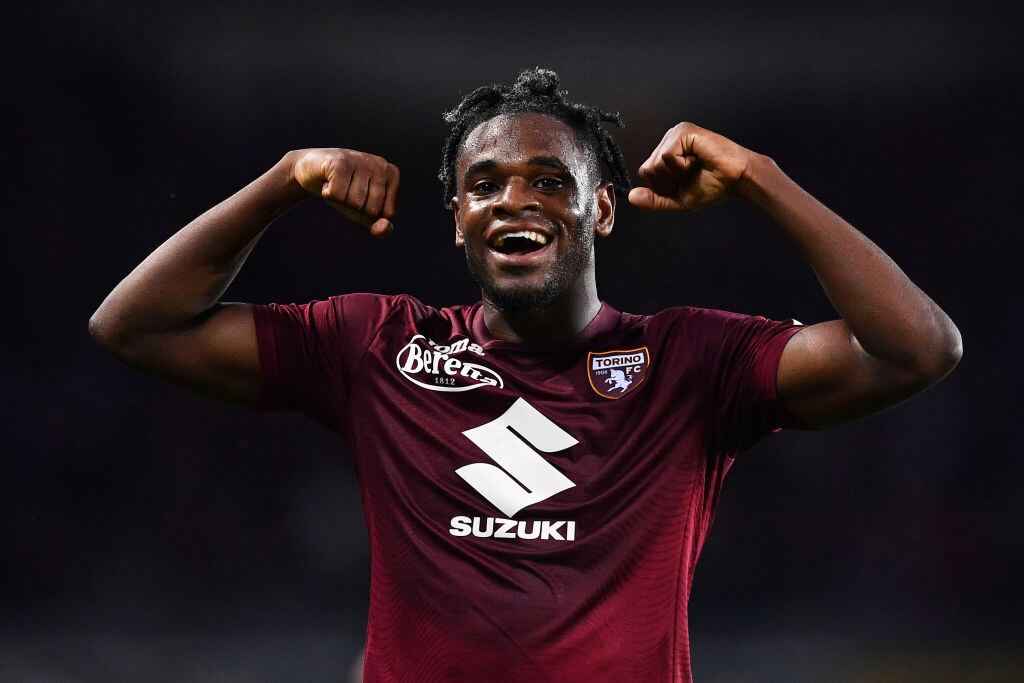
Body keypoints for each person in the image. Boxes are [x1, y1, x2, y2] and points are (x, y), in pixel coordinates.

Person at [89, 67, 962, 681]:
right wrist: (280, 184)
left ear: (603, 210)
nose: (516, 199)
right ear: (459, 219)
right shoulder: (379, 346)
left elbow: (918, 348)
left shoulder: (694, 362)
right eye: (486, 183)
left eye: (551, 180)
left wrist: (762, 179)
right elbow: (134, 325)